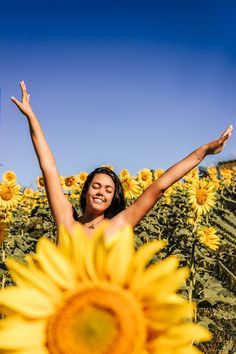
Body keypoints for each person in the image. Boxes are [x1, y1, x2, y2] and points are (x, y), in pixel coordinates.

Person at [11, 81, 233, 238]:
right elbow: (48, 166)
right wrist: (31, 116)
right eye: (96, 186)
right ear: (86, 190)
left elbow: (159, 187)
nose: (101, 192)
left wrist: (204, 151)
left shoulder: (119, 224)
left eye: (108, 190)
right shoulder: (66, 219)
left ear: (114, 197)